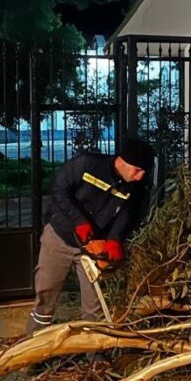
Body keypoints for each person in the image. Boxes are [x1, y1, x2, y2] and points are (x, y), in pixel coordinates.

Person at [25, 137, 155, 334]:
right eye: (137, 170)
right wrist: (79, 221)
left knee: (95, 302)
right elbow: (59, 190)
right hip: (59, 238)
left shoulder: (134, 186)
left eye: (144, 172)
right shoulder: (86, 164)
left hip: (93, 247)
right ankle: (31, 346)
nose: (140, 177)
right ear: (122, 160)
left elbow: (128, 213)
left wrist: (114, 239)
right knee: (45, 295)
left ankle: (94, 354)